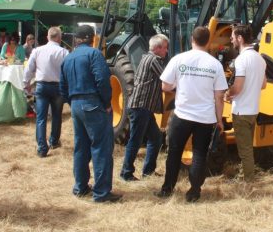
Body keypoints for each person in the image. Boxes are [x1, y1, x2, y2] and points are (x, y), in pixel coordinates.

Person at [157, 26, 227, 202]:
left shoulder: (179, 59)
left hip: (182, 116)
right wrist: (220, 120)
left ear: (192, 40)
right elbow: (219, 96)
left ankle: (167, 189)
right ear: (208, 41)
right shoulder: (215, 64)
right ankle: (194, 192)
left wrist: (179, 87)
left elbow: (165, 86)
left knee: (174, 152)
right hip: (205, 118)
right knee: (200, 154)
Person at [59, 25, 121, 203]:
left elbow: (62, 87)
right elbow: (102, 80)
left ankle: (80, 187)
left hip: (76, 105)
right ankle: (101, 192)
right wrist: (107, 103)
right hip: (93, 103)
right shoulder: (94, 54)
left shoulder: (68, 57)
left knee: (81, 147)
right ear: (91, 38)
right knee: (101, 148)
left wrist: (72, 103)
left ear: (77, 39)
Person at [120, 34, 169, 181]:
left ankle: (148, 171)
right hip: (141, 106)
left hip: (144, 107)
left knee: (156, 138)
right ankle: (126, 173)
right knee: (135, 140)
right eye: (165, 48)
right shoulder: (153, 60)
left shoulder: (146, 57)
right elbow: (166, 77)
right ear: (158, 48)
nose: (166, 51)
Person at [225, 25, 266, 182]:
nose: (231, 40)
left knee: (245, 149)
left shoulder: (241, 59)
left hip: (241, 110)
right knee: (247, 146)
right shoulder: (260, 59)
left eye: (233, 37)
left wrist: (228, 94)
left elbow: (238, 86)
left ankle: (248, 180)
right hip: (254, 109)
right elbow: (263, 85)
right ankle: (246, 175)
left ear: (240, 38)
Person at [24, 27, 69, 158]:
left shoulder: (37, 50)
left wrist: (25, 83)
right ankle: (54, 141)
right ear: (59, 38)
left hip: (42, 86)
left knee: (41, 117)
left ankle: (42, 148)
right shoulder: (64, 52)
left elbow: (29, 69)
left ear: (48, 37)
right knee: (56, 116)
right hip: (58, 87)